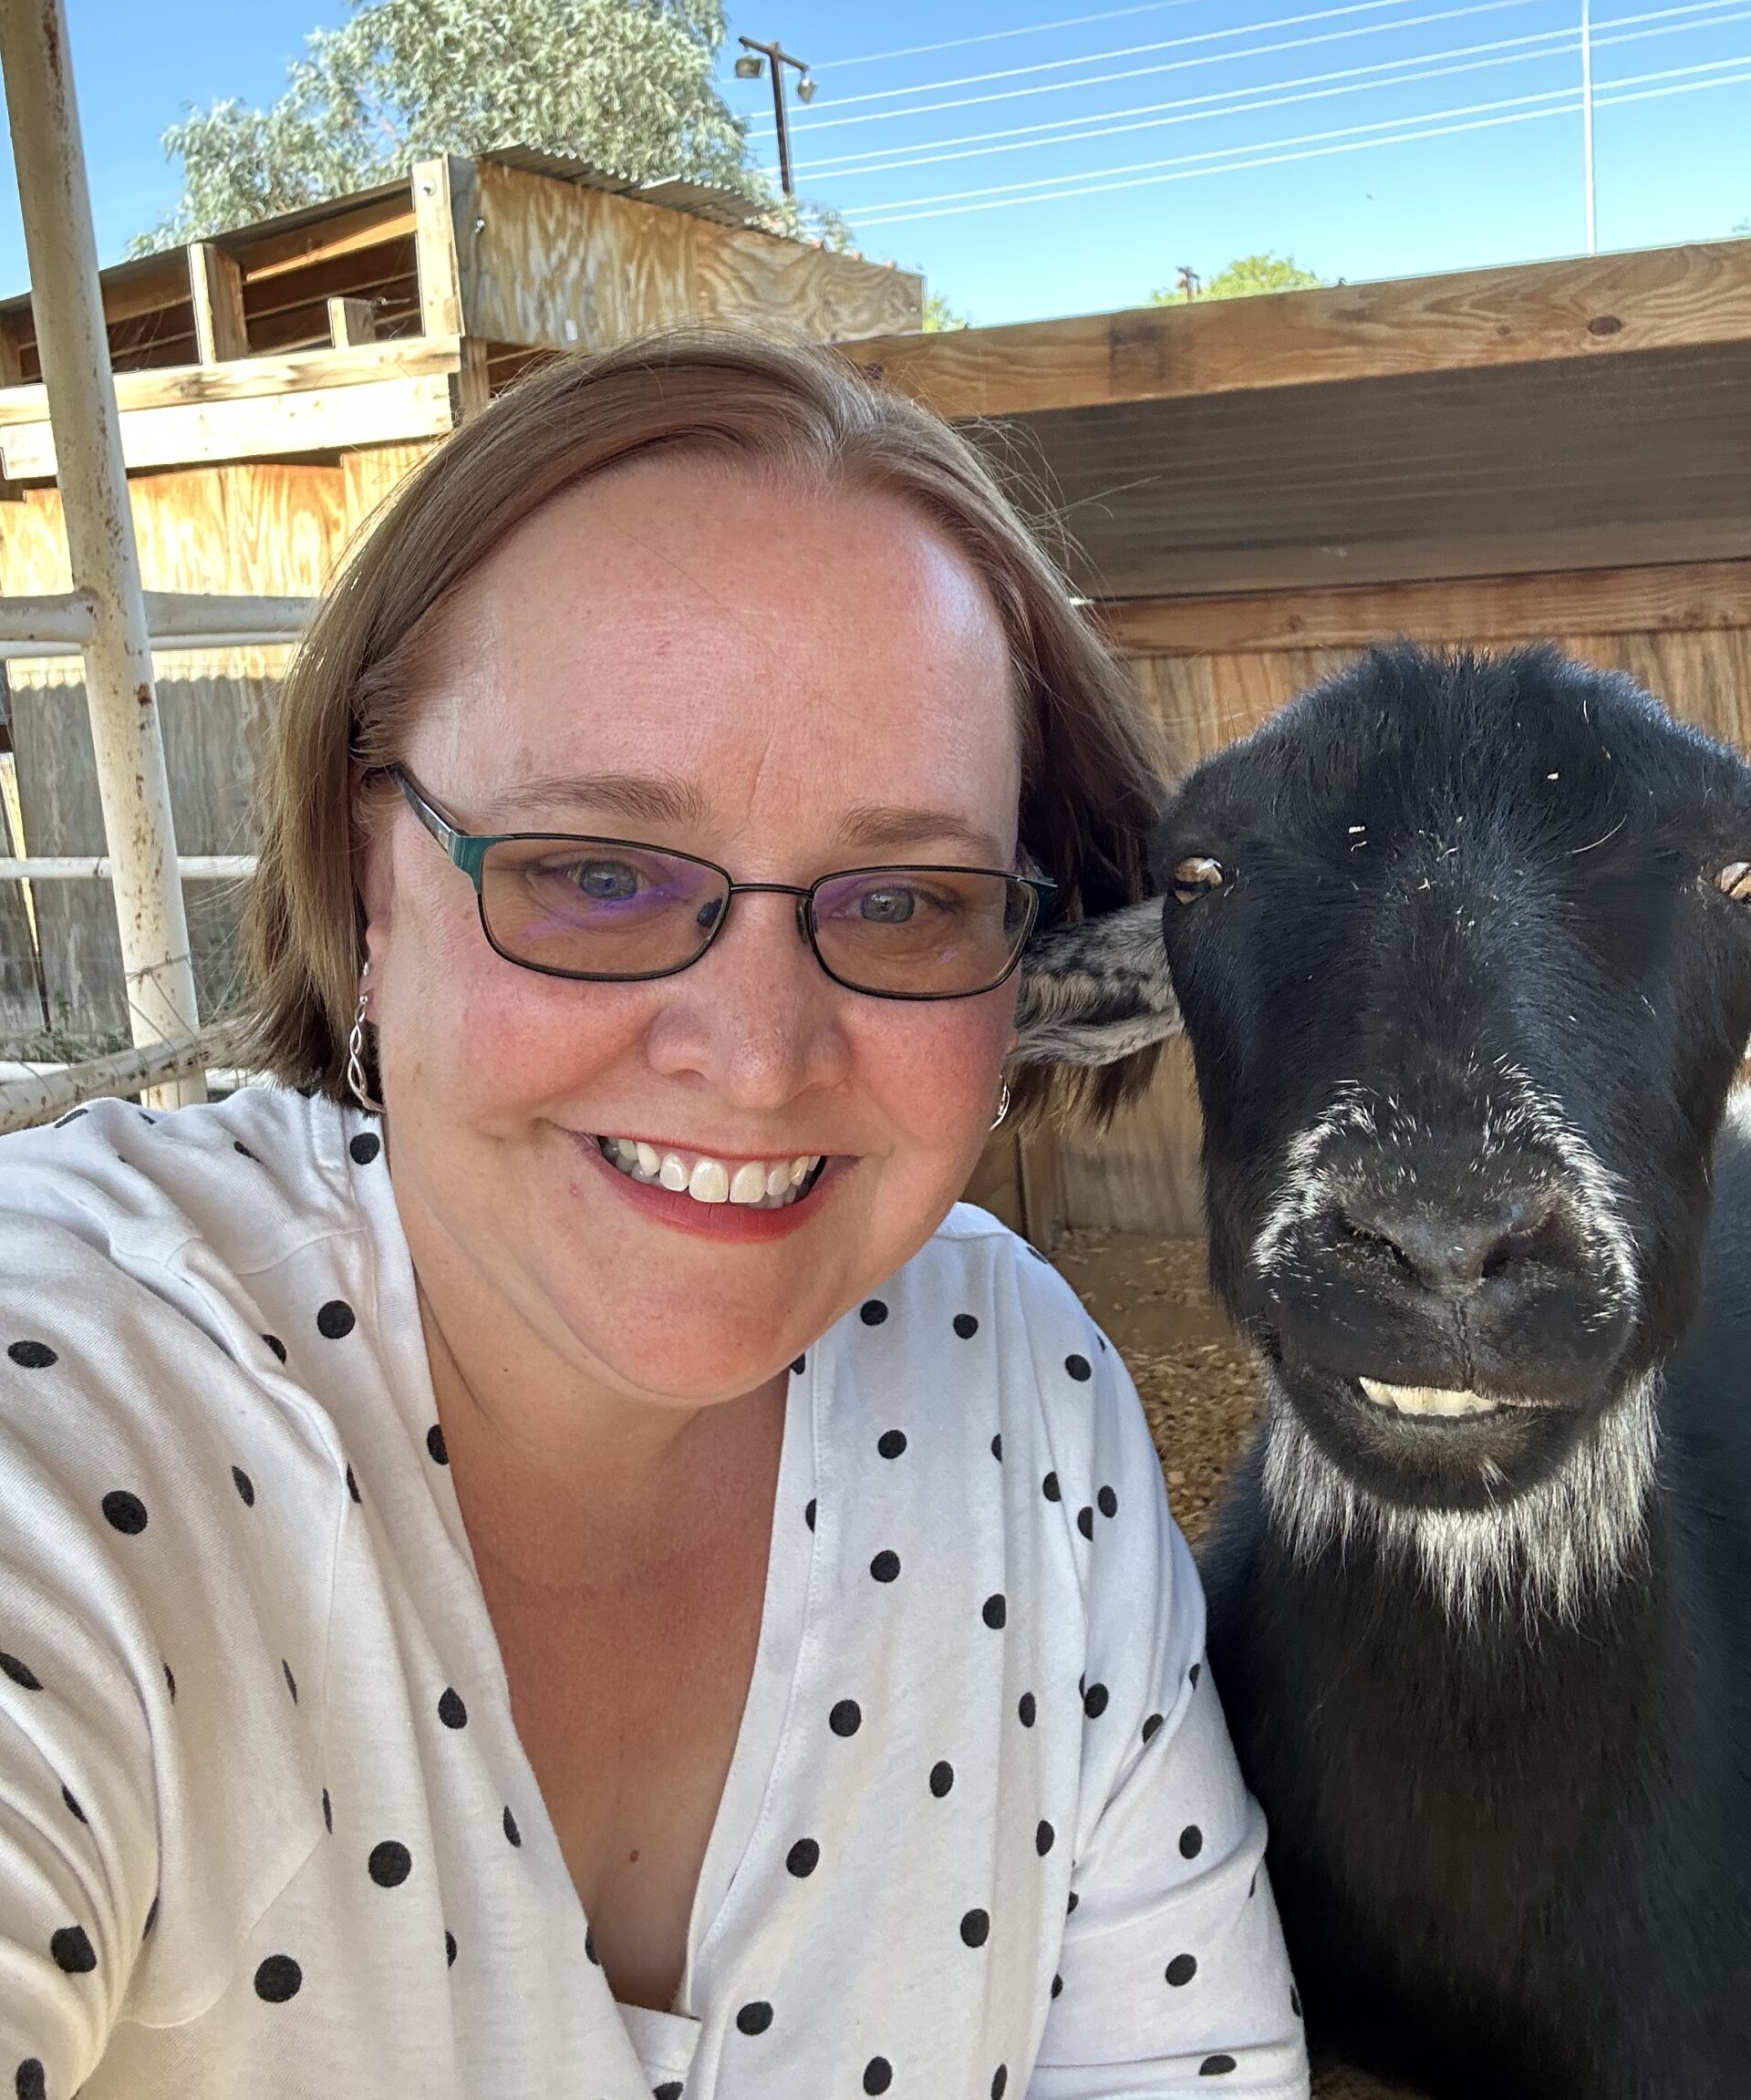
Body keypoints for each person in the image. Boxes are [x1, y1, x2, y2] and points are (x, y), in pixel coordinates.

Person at [0, 336, 1309, 2098]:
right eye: (598, 874)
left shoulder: (1020, 1389)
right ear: (368, 881)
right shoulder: (71, 1394)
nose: (758, 1061)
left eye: (905, 900)